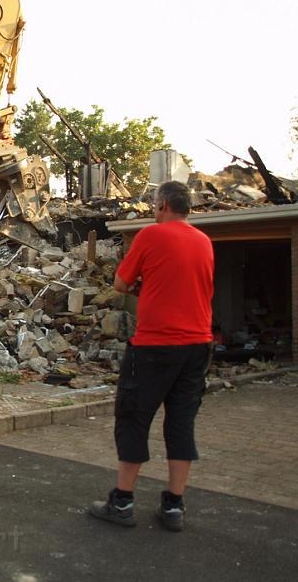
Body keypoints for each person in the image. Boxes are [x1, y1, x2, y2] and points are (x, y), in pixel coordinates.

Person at [89, 180, 214, 532]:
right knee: (180, 422)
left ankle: (123, 501)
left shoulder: (150, 236)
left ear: (162, 206)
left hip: (155, 346)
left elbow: (120, 283)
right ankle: (174, 506)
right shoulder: (204, 241)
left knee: (133, 416)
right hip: (197, 346)